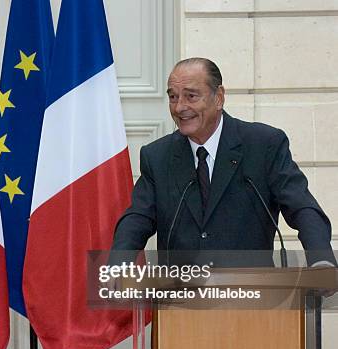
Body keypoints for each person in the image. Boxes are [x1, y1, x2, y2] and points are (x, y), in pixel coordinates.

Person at [112, 57, 335, 266]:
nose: (179, 107)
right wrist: (118, 263)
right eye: (173, 97)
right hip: (179, 299)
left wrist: (320, 258)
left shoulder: (263, 145)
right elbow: (138, 218)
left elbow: (302, 207)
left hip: (252, 298)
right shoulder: (158, 156)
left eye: (191, 96)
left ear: (218, 98)